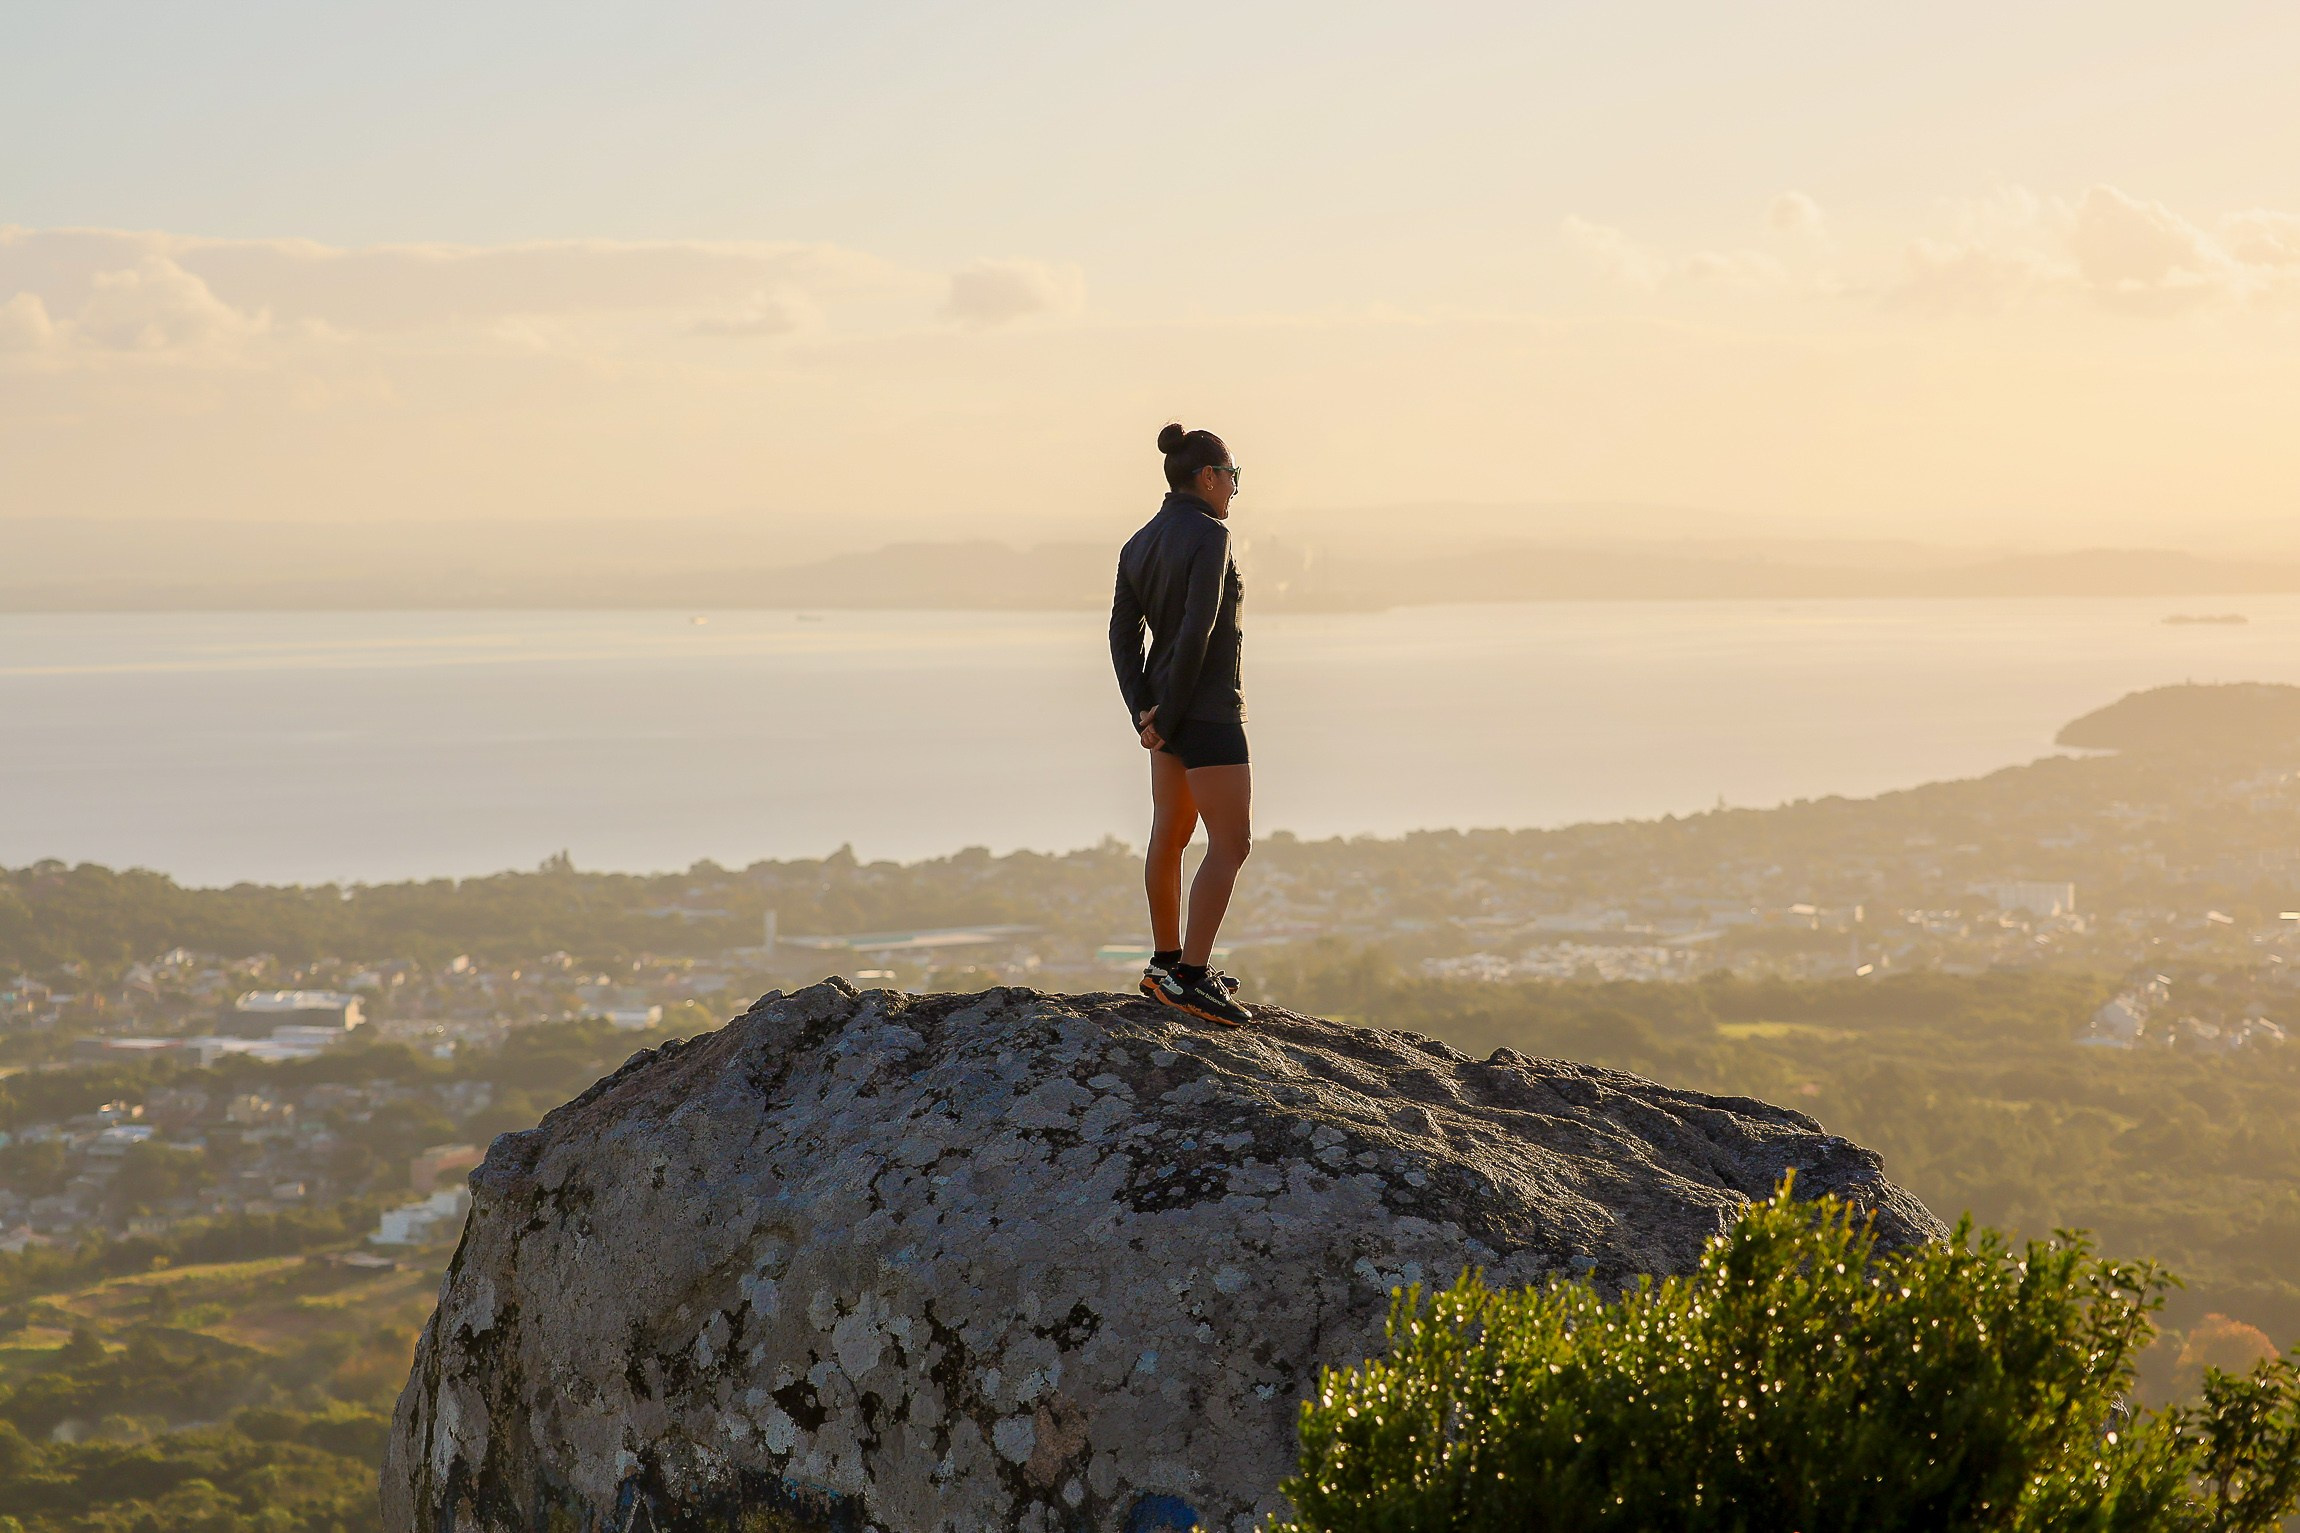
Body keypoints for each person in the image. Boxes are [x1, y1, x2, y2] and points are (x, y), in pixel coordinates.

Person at [1109, 423, 1255, 1027]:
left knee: (1169, 834)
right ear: (1207, 476)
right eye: (1233, 479)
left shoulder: (1139, 542)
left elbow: (1122, 635)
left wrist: (1144, 711)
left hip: (1165, 716)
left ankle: (1164, 964)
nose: (1234, 492)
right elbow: (1199, 626)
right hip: (1208, 710)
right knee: (1230, 844)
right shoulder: (1210, 536)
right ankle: (1191, 978)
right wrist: (1169, 712)